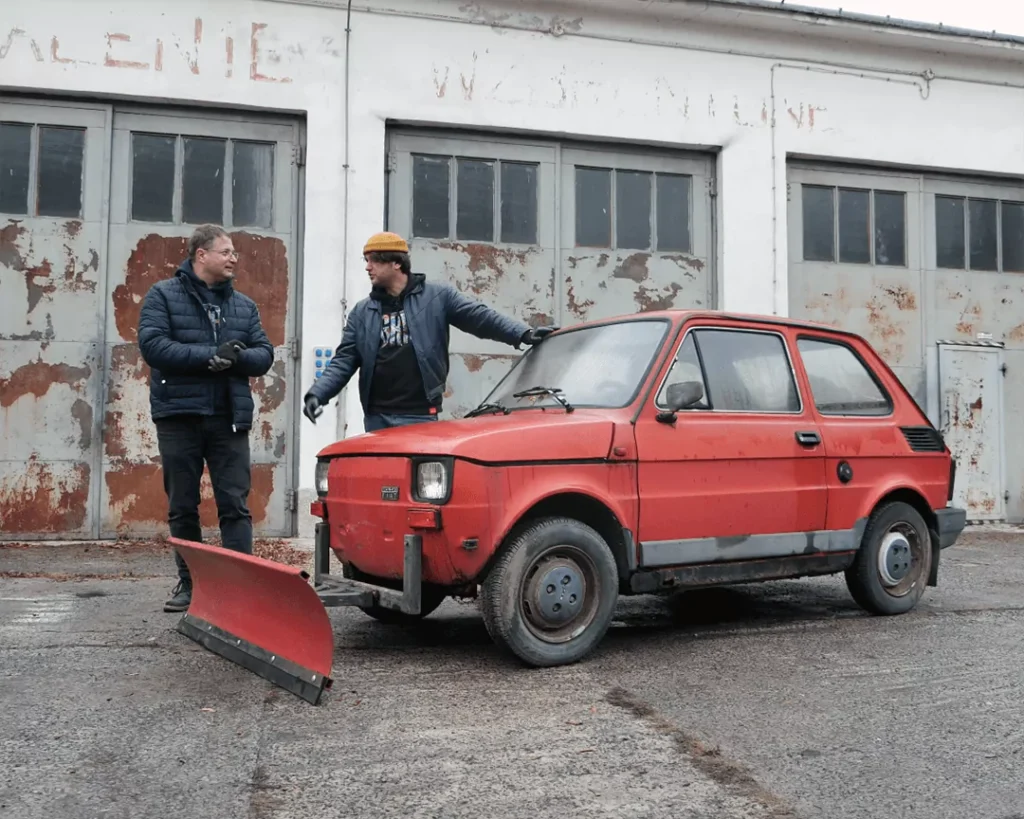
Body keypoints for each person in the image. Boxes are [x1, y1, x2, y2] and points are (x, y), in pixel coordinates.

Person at [137, 224, 275, 613]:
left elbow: (264, 353)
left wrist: (235, 357)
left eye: (234, 253)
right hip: (179, 416)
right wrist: (208, 356)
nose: (234, 258)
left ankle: (237, 586)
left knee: (235, 504)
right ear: (202, 255)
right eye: (227, 251)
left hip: (228, 418)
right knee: (183, 505)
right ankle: (190, 584)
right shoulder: (163, 295)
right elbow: (153, 345)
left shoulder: (244, 306)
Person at [303, 231, 555, 431]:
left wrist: (522, 333)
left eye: (374, 260)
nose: (367, 267)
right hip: (376, 417)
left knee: (420, 488)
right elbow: (344, 360)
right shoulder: (362, 312)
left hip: (419, 415)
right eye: (366, 260)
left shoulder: (437, 297)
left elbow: (479, 317)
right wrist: (318, 393)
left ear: (396, 262)